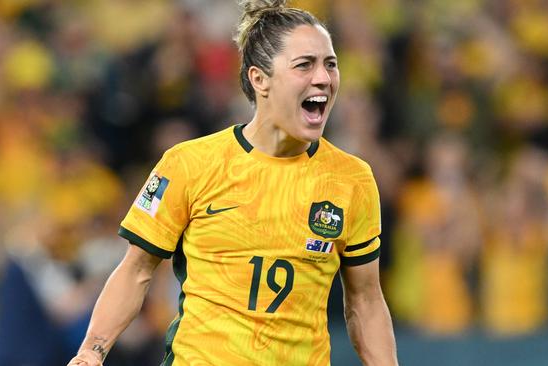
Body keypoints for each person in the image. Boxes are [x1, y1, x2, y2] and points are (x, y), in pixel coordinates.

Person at [67, 1, 398, 365]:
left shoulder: (351, 179)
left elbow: (366, 300)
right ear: (260, 79)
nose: (323, 77)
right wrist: (92, 351)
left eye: (330, 64)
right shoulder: (190, 164)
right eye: (305, 65)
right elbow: (136, 270)